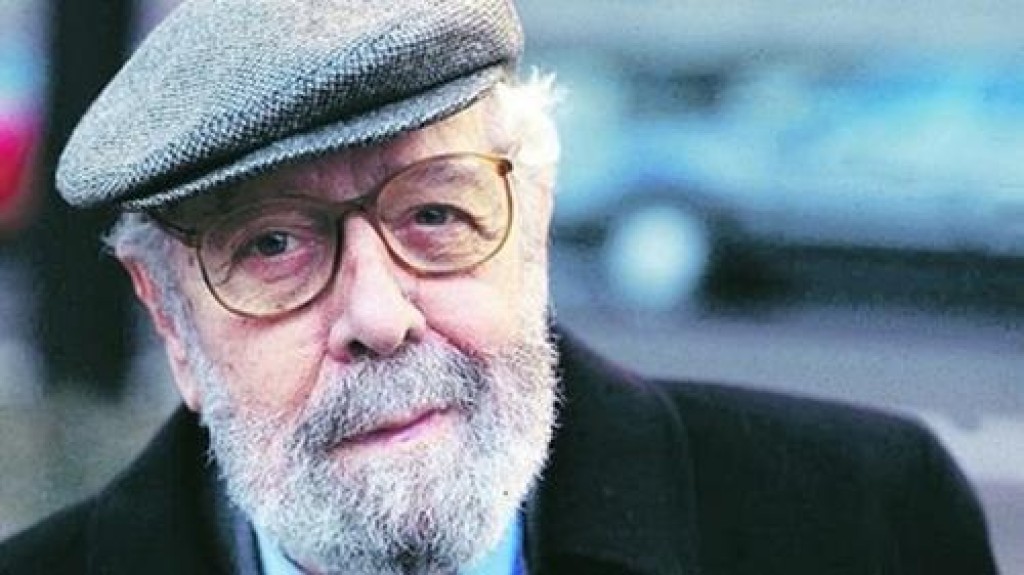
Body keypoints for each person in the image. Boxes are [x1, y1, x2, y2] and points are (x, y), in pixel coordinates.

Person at [0, 0, 998, 573]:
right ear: (170, 318)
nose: (379, 315)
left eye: (436, 213)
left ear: (536, 222)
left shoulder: (862, 523)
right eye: (272, 245)